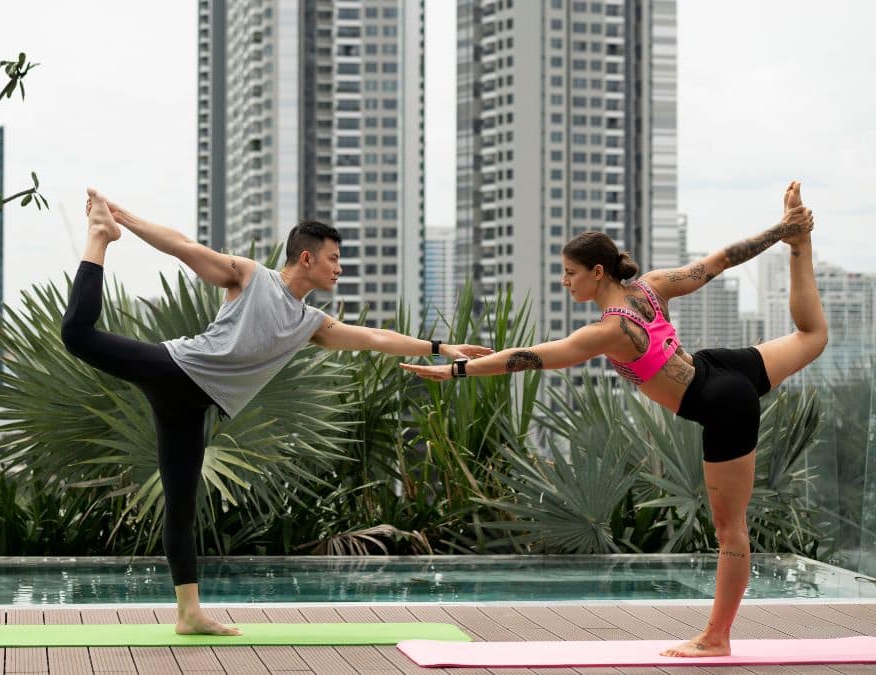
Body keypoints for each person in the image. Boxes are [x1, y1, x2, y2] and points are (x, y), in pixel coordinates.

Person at [401, 181, 824, 658]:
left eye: (570, 273)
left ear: (597, 272)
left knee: (731, 529)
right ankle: (800, 244)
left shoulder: (610, 330)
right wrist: (782, 230)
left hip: (721, 405)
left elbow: (533, 357)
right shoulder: (652, 286)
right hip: (721, 368)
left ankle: (716, 638)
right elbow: (722, 259)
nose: (565, 282)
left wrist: (458, 370)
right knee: (812, 336)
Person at [61, 188, 489, 635]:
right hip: (173, 368)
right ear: (306, 258)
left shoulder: (310, 323)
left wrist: (440, 347)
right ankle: (99, 236)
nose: (339, 268)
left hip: (191, 406)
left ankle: (188, 614)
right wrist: (123, 218)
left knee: (181, 509)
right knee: (77, 334)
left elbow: (375, 338)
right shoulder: (251, 276)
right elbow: (185, 248)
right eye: (334, 259)